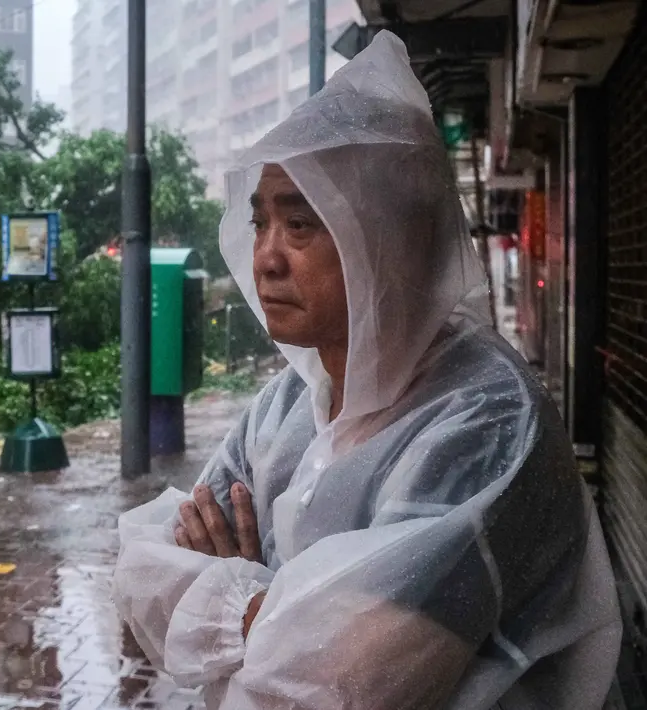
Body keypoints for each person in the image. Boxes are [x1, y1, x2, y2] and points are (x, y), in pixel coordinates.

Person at [111, 32, 620, 709]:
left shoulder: (485, 422)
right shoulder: (289, 402)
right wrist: (267, 614)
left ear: (390, 241)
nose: (264, 258)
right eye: (259, 223)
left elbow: (340, 683)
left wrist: (232, 589)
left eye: (299, 226)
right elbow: (140, 569)